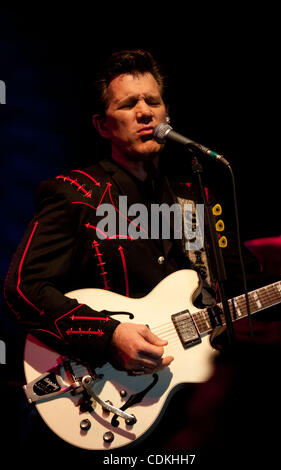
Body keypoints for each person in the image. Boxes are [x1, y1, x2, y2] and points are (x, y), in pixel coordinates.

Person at [4, 49, 264, 458]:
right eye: (128, 104)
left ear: (167, 114)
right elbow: (22, 288)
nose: (145, 112)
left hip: (189, 405)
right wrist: (109, 335)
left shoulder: (193, 198)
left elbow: (243, 281)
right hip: (102, 395)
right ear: (102, 125)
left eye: (153, 102)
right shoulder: (77, 195)